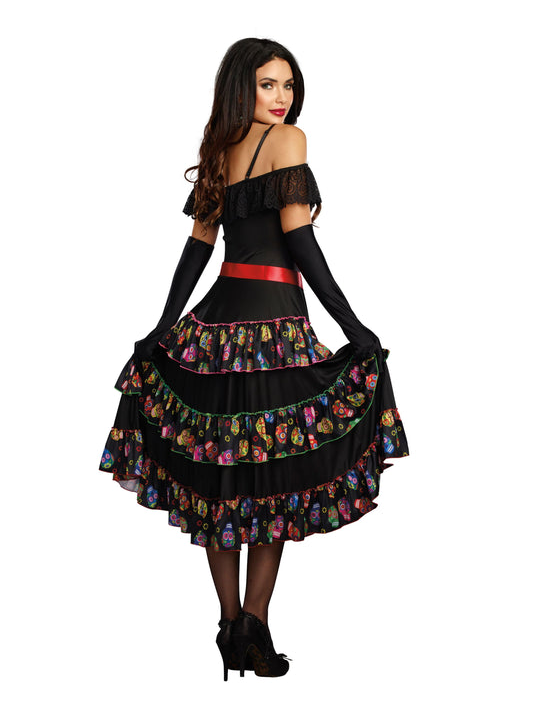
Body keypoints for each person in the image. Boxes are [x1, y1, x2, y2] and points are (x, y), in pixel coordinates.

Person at [99, 37, 409, 680]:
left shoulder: (219, 150)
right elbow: (299, 241)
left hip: (216, 332)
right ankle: (254, 626)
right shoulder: (289, 141)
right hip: (273, 330)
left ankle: (230, 626)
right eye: (268, 84)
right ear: (242, 86)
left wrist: (164, 328)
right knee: (272, 476)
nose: (282, 97)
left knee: (223, 477)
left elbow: (198, 250)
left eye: (288, 85)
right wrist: (353, 325)